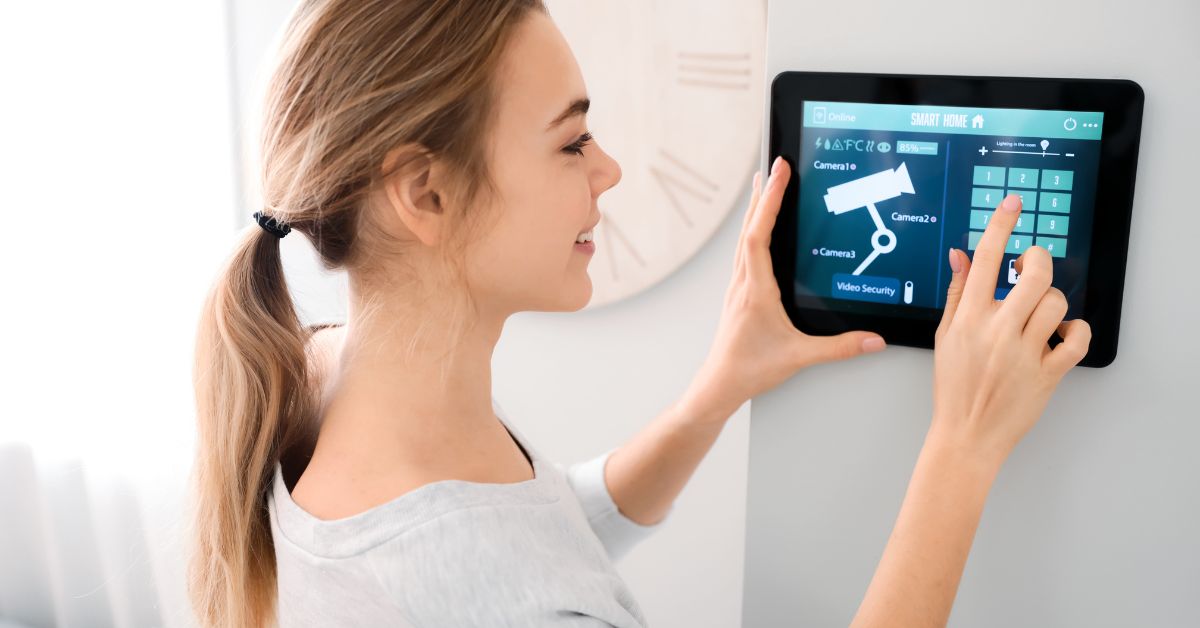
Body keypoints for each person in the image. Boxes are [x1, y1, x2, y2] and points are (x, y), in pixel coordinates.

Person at [188, 1, 1092, 626]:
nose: (606, 168)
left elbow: (532, 534)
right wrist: (963, 447)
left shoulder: (330, 375)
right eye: (571, 139)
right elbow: (502, 577)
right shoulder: (476, 592)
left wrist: (714, 392)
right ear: (424, 193)